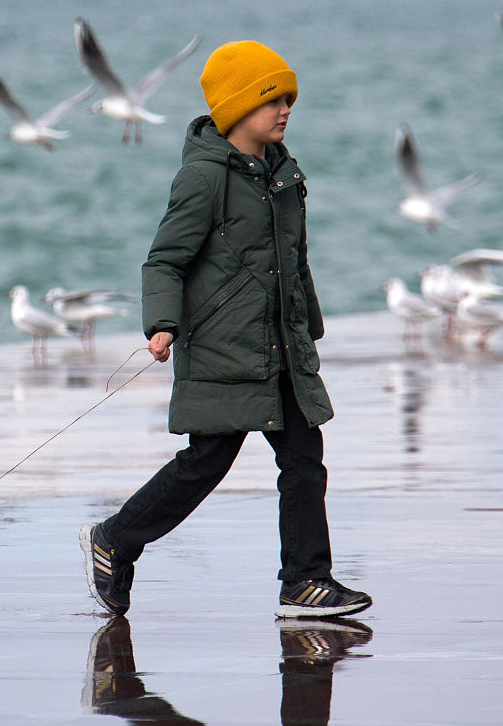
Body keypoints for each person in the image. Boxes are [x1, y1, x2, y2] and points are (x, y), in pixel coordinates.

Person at [81, 40, 372, 620]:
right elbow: (164, 260)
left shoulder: (283, 174)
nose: (285, 110)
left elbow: (293, 260)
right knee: (207, 462)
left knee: (304, 457)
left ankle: (305, 582)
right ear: (237, 110)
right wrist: (162, 324)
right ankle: (116, 539)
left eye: (288, 98)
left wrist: (306, 326)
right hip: (223, 349)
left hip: (280, 347)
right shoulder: (203, 178)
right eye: (271, 100)